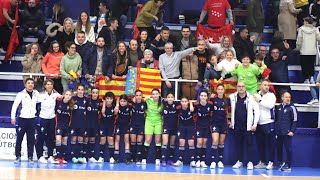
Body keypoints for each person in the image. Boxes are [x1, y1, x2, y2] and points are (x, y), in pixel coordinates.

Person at [230, 82, 259, 170]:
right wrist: (231, 121)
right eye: (239, 86)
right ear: (236, 87)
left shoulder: (251, 98)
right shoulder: (232, 97)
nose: (241, 88)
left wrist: (255, 124)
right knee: (238, 145)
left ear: (245, 87)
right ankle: (240, 161)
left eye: (242, 86)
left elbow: (257, 111)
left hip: (248, 126)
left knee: (249, 144)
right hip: (237, 126)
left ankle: (250, 162)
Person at [11, 78, 39, 164]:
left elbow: (44, 99)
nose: (30, 85)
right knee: (19, 139)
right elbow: (15, 106)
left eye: (32, 83)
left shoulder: (36, 94)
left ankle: (30, 157)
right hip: (22, 119)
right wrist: (13, 117)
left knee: (30, 139)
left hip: (32, 119)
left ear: (34, 85)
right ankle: (18, 156)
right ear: (25, 84)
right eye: (28, 83)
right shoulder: (20, 94)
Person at [253, 81, 277, 170]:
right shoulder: (256, 94)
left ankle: (271, 162)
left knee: (270, 143)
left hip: (268, 122)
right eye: (265, 85)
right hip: (259, 123)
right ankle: (262, 162)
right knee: (260, 144)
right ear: (260, 86)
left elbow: (270, 106)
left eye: (268, 85)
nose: (267, 87)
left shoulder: (271, 95)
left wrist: (259, 101)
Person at [36, 79, 61, 164]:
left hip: (52, 119)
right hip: (43, 119)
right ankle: (40, 156)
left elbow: (63, 97)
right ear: (45, 86)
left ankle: (50, 156)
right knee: (41, 138)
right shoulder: (41, 95)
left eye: (51, 84)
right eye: (48, 84)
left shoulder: (55, 95)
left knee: (51, 138)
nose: (49, 86)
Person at [275, 92, 298, 171]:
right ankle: (280, 163)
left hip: (287, 132)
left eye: (289, 97)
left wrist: (292, 131)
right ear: (282, 98)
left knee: (288, 149)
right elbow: (276, 119)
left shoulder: (292, 107)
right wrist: (276, 130)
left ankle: (288, 165)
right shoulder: (278, 107)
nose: (288, 99)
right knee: (279, 148)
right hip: (279, 132)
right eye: (286, 97)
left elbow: (295, 120)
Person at [209, 84, 228, 169]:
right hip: (215, 123)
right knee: (215, 141)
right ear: (216, 90)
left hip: (223, 123)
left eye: (221, 89)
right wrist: (209, 97)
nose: (220, 91)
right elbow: (205, 104)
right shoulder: (213, 100)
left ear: (224, 90)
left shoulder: (227, 100)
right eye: (219, 89)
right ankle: (213, 161)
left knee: (221, 143)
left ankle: (220, 161)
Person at [142, 88, 163, 165]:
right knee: (148, 140)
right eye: (153, 94)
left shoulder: (162, 102)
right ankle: (144, 158)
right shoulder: (148, 100)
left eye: (156, 94)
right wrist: (146, 98)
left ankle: (158, 159)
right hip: (149, 121)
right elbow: (138, 100)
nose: (155, 96)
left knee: (158, 140)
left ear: (159, 94)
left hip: (158, 122)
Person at [296, 17, 320, 84]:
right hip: (312, 51)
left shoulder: (301, 30)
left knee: (304, 65)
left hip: (304, 51)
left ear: (306, 22)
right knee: (311, 65)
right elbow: (319, 38)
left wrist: (298, 48)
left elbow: (299, 40)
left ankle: (306, 79)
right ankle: (312, 78)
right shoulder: (315, 30)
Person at [172, 97, 195, 167]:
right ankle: (180, 160)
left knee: (191, 142)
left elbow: (192, 109)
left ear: (187, 102)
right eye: (183, 101)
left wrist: (191, 103)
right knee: (181, 142)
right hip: (182, 126)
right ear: (180, 102)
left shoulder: (191, 108)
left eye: (185, 101)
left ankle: (192, 160)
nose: (184, 103)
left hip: (190, 126)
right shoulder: (178, 108)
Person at [193, 90, 213, 168]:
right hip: (199, 126)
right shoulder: (196, 104)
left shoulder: (210, 104)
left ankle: (202, 161)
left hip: (207, 126)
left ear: (207, 97)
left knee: (204, 143)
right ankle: (197, 160)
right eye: (202, 95)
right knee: (199, 142)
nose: (203, 97)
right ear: (199, 96)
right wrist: (191, 105)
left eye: (205, 96)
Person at [54, 89, 73, 164]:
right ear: (64, 95)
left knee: (64, 141)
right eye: (67, 94)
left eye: (69, 95)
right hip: (58, 125)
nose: (68, 96)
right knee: (58, 139)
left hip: (66, 126)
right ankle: (58, 157)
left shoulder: (71, 105)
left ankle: (62, 158)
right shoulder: (58, 102)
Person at [69, 84, 87, 164]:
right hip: (73, 123)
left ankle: (80, 156)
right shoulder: (73, 99)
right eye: (79, 89)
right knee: (73, 139)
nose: (80, 91)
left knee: (80, 139)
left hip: (82, 123)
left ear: (84, 91)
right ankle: (73, 157)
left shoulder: (86, 100)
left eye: (82, 89)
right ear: (77, 90)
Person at [161, 93, 179, 166]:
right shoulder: (164, 103)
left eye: (172, 97)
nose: (170, 98)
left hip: (174, 127)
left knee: (172, 144)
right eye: (169, 97)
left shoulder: (177, 104)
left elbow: (186, 101)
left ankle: (170, 159)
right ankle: (163, 160)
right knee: (165, 143)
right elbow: (157, 96)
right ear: (166, 98)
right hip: (166, 126)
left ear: (174, 98)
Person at [85, 87, 103, 163]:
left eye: (96, 93)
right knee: (86, 140)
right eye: (93, 92)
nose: (95, 94)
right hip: (87, 124)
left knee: (92, 140)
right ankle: (84, 157)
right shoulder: (87, 101)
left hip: (95, 124)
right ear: (91, 93)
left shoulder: (100, 102)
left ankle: (91, 157)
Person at [114, 94, 132, 164]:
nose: (122, 103)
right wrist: (117, 104)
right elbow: (117, 98)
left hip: (126, 126)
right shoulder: (118, 107)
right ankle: (116, 158)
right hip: (118, 125)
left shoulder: (129, 107)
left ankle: (127, 158)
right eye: (121, 101)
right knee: (117, 140)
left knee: (126, 140)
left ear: (127, 102)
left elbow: (133, 100)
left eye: (124, 101)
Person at [130, 90, 147, 164]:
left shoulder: (145, 104)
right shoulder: (131, 103)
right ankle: (132, 158)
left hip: (141, 125)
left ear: (142, 96)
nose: (138, 97)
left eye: (140, 95)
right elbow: (120, 99)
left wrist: (147, 97)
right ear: (135, 96)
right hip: (133, 125)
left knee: (139, 142)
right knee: (133, 141)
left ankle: (138, 158)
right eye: (137, 95)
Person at [99, 92, 116, 163]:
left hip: (111, 125)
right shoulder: (101, 105)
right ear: (105, 99)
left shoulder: (114, 106)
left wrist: (117, 104)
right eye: (107, 98)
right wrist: (103, 105)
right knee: (102, 139)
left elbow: (115, 113)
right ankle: (101, 157)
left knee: (110, 139)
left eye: (110, 99)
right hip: (103, 125)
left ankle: (111, 157)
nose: (109, 100)